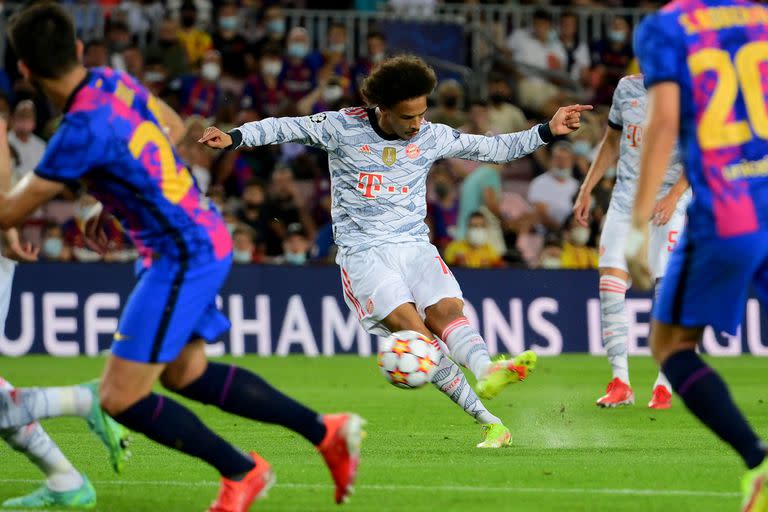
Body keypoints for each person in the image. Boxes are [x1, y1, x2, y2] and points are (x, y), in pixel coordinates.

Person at [0, 4, 363, 511]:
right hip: (195, 230)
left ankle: (245, 470)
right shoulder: (111, 82)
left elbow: (7, 211)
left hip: (182, 252)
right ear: (79, 50)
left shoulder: (77, 132)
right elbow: (171, 125)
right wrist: (114, 192)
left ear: (24, 70)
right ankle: (326, 431)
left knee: (119, 398)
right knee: (184, 373)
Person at [201, 54, 591, 447]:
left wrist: (546, 130)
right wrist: (234, 137)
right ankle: (490, 421)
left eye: (422, 113)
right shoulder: (341, 127)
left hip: (413, 245)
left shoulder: (430, 135)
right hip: (364, 254)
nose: (417, 124)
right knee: (416, 335)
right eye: (408, 117)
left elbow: (494, 149)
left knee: (446, 312)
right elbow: (285, 127)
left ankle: (487, 368)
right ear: (382, 109)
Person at [627, 1, 768, 508]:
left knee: (670, 346)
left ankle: (759, 462)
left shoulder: (667, 28)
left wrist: (639, 220)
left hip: (729, 209)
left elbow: (663, 121)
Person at [573, 74, 690, 409]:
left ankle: (666, 382)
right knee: (610, 287)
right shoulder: (626, 88)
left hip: (668, 206)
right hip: (625, 203)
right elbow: (612, 142)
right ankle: (620, 381)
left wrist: (674, 196)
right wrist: (587, 187)